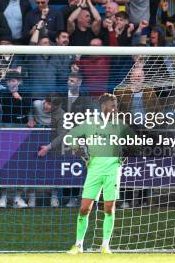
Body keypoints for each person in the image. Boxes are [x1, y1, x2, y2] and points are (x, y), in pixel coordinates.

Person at [40, 93, 133, 254]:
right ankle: (78, 245)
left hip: (112, 170)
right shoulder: (90, 123)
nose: (115, 108)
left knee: (109, 208)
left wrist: (123, 156)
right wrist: (82, 153)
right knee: (84, 209)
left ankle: (105, 245)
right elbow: (69, 137)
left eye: (116, 106)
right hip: (94, 170)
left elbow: (134, 142)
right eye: (112, 105)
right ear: (103, 106)